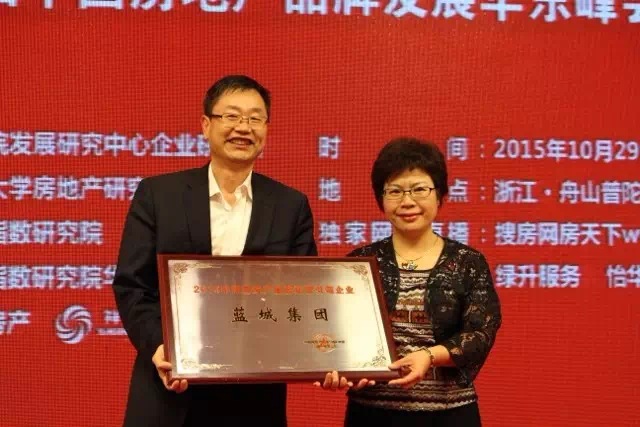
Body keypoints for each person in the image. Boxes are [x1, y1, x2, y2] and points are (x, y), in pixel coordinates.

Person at [112, 74, 317, 427]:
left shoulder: (290, 205)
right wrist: (161, 347)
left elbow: (305, 293)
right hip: (170, 391)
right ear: (206, 126)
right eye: (231, 116)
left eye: (255, 118)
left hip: (255, 397)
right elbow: (133, 285)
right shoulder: (159, 196)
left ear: (266, 129)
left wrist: (326, 354)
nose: (244, 127)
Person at [315, 137, 501, 427]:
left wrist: (429, 356)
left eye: (419, 189)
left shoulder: (468, 261)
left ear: (440, 195)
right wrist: (337, 367)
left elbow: (481, 333)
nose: (407, 202)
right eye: (395, 191)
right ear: (381, 199)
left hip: (449, 414)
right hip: (372, 414)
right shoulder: (360, 262)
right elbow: (336, 331)